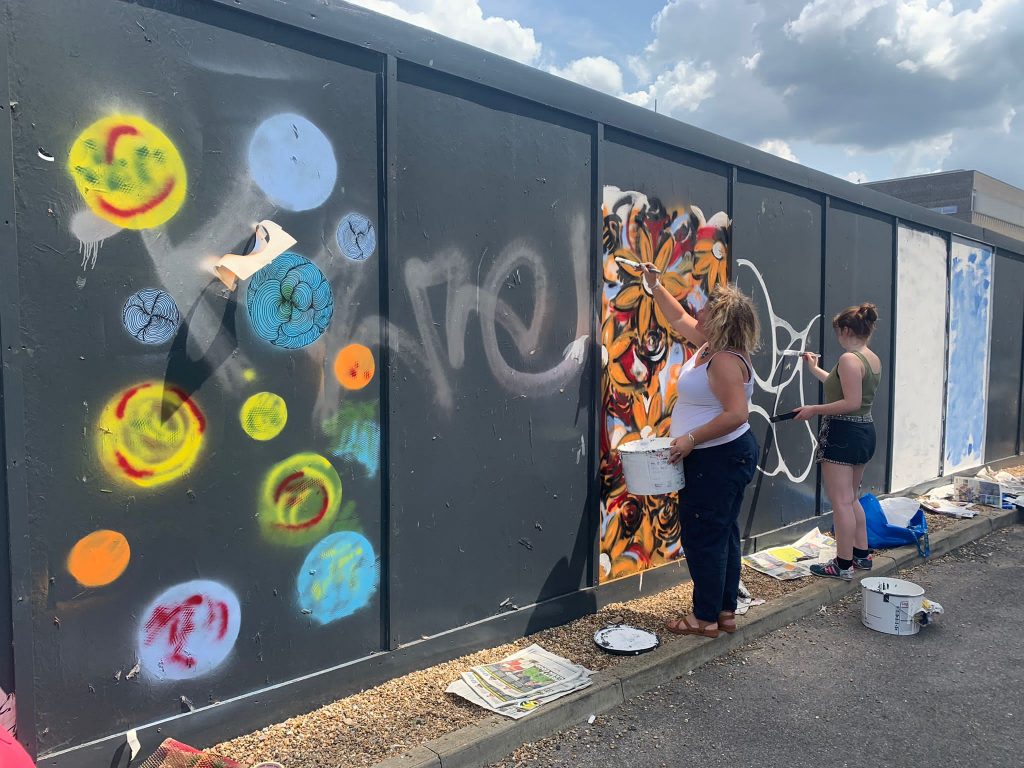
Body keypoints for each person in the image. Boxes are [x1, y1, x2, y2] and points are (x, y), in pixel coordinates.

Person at [641, 264, 760, 638]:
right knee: (722, 534)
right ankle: (723, 611)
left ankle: (703, 618)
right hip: (722, 457)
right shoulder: (711, 347)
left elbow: (737, 414)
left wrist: (690, 439)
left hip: (717, 458)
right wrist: (654, 286)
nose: (699, 310)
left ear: (720, 319)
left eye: (707, 307)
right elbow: (677, 317)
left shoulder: (724, 360)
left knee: (703, 537)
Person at [795, 303, 882, 580]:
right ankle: (861, 554)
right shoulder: (871, 358)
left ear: (845, 330)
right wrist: (815, 369)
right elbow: (845, 389)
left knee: (841, 502)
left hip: (843, 435)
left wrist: (813, 409)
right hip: (864, 431)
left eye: (838, 332)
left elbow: (849, 402)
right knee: (851, 497)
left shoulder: (849, 359)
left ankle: (842, 565)